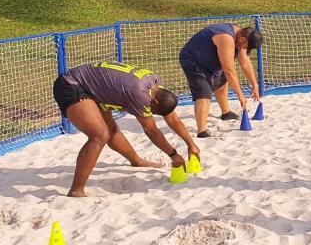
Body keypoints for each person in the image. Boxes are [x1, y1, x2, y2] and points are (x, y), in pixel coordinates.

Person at [52, 61, 200, 197]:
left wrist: (191, 144)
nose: (150, 112)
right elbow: (151, 131)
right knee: (100, 135)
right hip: (72, 84)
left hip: (94, 88)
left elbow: (171, 117)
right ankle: (76, 190)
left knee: (111, 130)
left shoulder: (157, 85)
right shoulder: (139, 94)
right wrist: (173, 155)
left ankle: (136, 161)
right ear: (154, 102)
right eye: (152, 110)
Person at [179, 23, 262, 138]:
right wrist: (240, 95)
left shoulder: (241, 37)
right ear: (242, 39)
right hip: (193, 61)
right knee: (204, 93)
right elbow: (229, 70)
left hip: (211, 61)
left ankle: (226, 113)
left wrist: (255, 85)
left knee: (222, 82)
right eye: (245, 47)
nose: (244, 49)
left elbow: (245, 64)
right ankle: (201, 131)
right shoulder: (226, 37)